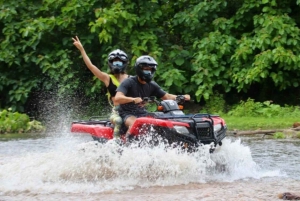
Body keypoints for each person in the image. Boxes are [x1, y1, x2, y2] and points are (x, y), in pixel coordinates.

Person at [72, 36, 130, 139]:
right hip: (117, 112)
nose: (117, 64)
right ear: (110, 63)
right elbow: (91, 66)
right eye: (114, 61)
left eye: (119, 61)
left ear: (124, 63)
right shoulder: (107, 78)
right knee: (118, 121)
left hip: (131, 110)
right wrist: (82, 49)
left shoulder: (131, 79)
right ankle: (116, 142)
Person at [114, 55, 190, 132]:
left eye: (150, 70)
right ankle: (127, 143)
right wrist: (133, 100)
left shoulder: (151, 84)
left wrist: (182, 96)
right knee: (136, 124)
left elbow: (167, 96)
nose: (149, 72)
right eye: (146, 70)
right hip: (126, 114)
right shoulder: (129, 82)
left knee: (159, 124)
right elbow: (117, 98)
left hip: (142, 114)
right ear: (139, 69)